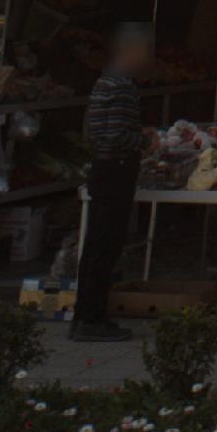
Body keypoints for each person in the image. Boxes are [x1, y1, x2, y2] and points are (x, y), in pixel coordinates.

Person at [71, 23, 154, 342]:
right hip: (114, 169)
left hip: (104, 168)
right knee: (104, 245)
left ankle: (84, 316)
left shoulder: (106, 81)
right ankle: (91, 319)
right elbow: (116, 134)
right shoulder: (120, 86)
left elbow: (101, 131)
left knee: (97, 244)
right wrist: (144, 141)